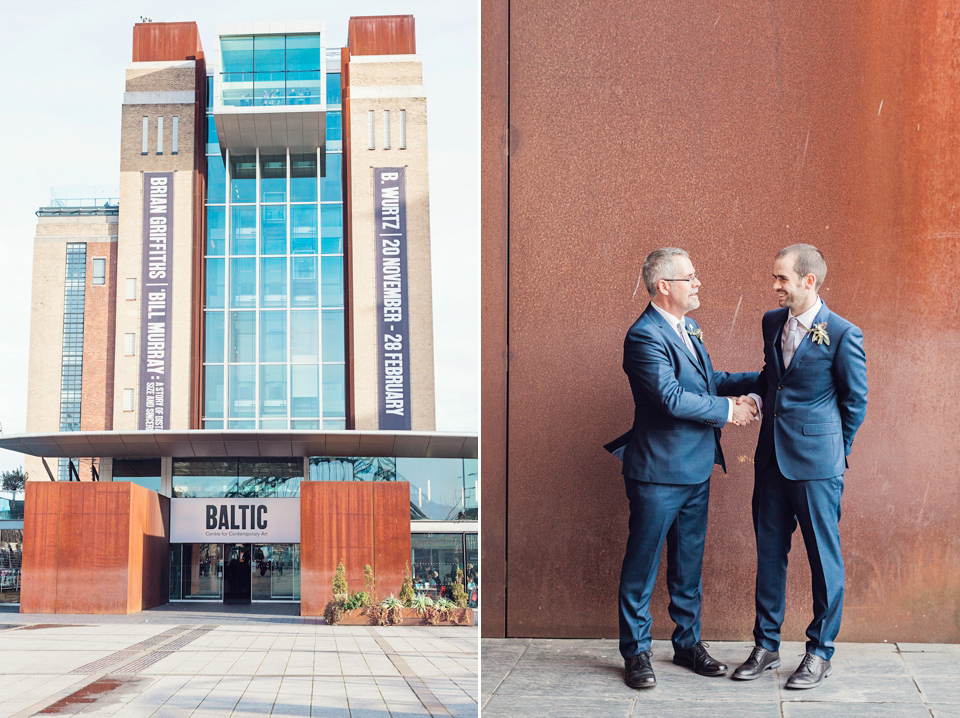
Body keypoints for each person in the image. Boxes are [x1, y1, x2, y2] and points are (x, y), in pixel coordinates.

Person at [617, 247, 758, 689]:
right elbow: (670, 397)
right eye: (690, 277)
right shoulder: (644, 336)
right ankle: (637, 654)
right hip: (657, 473)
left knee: (687, 565)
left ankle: (687, 644)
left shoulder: (688, 327)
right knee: (642, 568)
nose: (698, 283)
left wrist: (763, 378)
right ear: (664, 286)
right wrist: (728, 412)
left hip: (696, 470)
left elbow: (709, 381)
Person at [732, 244, 867, 689]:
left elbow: (855, 402)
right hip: (770, 460)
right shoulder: (773, 322)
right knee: (769, 556)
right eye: (774, 278)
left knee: (822, 559)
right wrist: (747, 396)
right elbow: (773, 378)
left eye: (782, 279)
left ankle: (819, 652)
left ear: (809, 281)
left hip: (817, 467)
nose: (774, 287)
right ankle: (766, 645)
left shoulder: (844, 334)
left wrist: (832, 451)